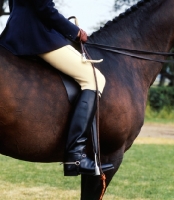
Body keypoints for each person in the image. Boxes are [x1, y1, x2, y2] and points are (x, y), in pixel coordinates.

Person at [0, 0, 113, 176]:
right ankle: (76, 157)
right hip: (36, 34)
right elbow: (44, 7)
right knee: (94, 78)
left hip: (16, 32)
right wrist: (75, 31)